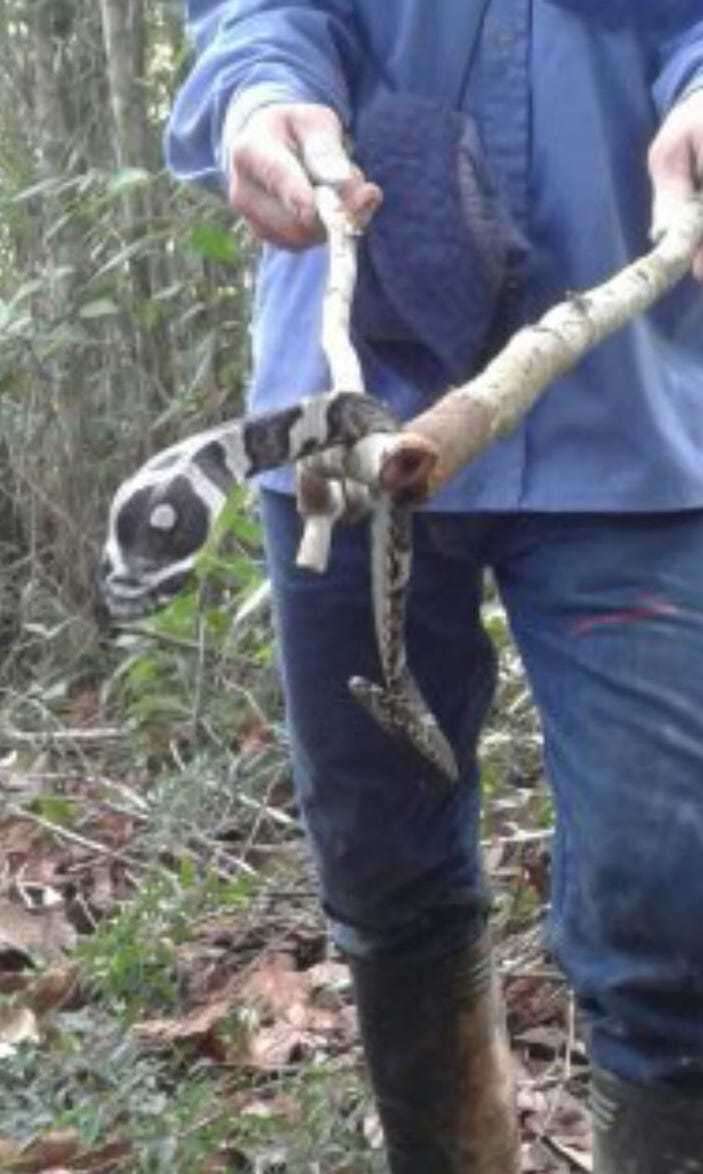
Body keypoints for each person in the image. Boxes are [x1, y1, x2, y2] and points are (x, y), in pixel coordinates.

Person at [166, 4, 703, 1171]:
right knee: (386, 871)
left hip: (639, 407)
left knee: (678, 905)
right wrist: (261, 101)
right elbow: (264, 14)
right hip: (346, 419)